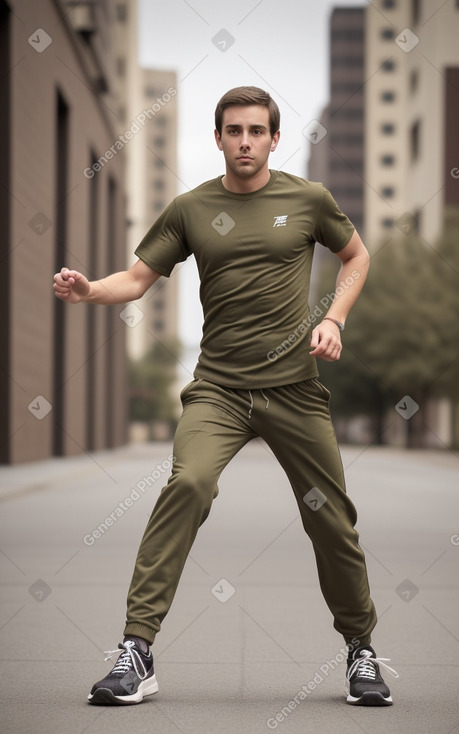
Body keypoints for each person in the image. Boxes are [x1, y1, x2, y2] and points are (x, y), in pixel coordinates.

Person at [53, 86, 398, 707]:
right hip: (218, 391)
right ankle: (137, 651)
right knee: (186, 485)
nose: (245, 141)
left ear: (273, 137)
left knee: (331, 520)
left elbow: (356, 256)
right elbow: (134, 279)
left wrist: (335, 317)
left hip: (294, 391)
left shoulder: (307, 199)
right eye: (233, 131)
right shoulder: (191, 208)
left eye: (256, 131)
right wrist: (87, 290)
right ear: (218, 138)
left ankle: (362, 650)